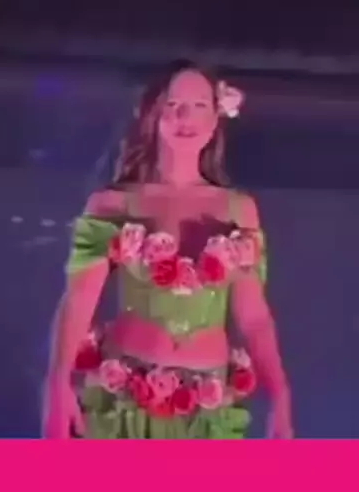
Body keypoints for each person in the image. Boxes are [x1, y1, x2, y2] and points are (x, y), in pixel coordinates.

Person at [43, 60, 292, 439]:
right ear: (154, 114)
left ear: (216, 117)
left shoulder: (238, 209)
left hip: (207, 412)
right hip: (126, 404)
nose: (185, 117)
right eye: (174, 105)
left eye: (199, 105)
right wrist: (57, 383)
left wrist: (281, 394)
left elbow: (254, 316)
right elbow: (79, 300)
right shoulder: (113, 204)